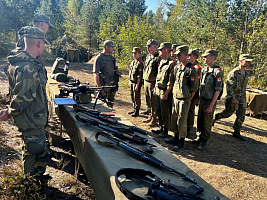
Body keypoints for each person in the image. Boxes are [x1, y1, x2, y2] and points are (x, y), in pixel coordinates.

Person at [0, 27, 51, 179]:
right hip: (31, 120)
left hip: (32, 118)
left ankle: (35, 181)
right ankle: (30, 185)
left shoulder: (23, 63)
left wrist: (10, 109)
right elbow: (23, 97)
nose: (44, 46)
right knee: (32, 153)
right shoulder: (27, 67)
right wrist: (10, 112)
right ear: (38, 44)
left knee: (37, 151)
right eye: (43, 43)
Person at [165, 45, 198, 150]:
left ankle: (181, 141)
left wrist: (188, 99)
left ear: (186, 55)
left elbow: (194, 88)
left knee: (182, 120)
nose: (177, 57)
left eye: (180, 55)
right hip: (176, 97)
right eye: (176, 55)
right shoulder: (177, 67)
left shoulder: (191, 69)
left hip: (185, 99)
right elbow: (173, 81)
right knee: (174, 118)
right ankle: (175, 137)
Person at [213, 54, 253, 141]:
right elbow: (229, 87)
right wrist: (233, 98)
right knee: (228, 113)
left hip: (242, 97)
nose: (248, 63)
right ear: (241, 61)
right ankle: (216, 117)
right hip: (232, 97)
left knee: (241, 114)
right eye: (246, 61)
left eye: (249, 62)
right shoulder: (234, 73)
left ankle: (237, 131)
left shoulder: (246, 73)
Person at [196, 49, 223, 150]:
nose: (203, 58)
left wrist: (211, 105)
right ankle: (199, 136)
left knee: (207, 121)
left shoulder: (218, 72)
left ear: (212, 58)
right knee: (200, 119)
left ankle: (204, 140)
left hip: (209, 100)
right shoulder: (204, 70)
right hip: (202, 98)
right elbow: (200, 86)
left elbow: (217, 90)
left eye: (205, 57)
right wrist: (198, 98)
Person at [151, 42, 175, 138]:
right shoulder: (161, 61)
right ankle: (161, 127)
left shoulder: (171, 64)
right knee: (159, 110)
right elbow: (158, 77)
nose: (159, 51)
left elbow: (171, 81)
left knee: (165, 111)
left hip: (165, 91)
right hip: (159, 90)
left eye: (160, 49)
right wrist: (155, 88)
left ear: (165, 50)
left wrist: (166, 93)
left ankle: (165, 130)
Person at [142, 39, 160, 126]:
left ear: (155, 47)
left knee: (153, 102)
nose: (147, 48)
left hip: (152, 82)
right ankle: (150, 115)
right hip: (146, 81)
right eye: (147, 46)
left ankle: (154, 119)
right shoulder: (148, 56)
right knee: (148, 101)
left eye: (149, 46)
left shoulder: (157, 58)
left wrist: (156, 86)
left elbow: (158, 73)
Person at [187, 48, 202, 138]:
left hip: (192, 94)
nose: (188, 57)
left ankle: (189, 127)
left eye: (190, 56)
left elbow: (197, 84)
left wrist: (196, 97)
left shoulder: (197, 68)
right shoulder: (186, 65)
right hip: (184, 93)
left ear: (195, 57)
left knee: (190, 111)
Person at [128, 47, 143, 117]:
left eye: (135, 53)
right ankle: (134, 109)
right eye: (133, 53)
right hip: (131, 82)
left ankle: (137, 111)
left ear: (139, 54)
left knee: (136, 97)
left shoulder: (140, 63)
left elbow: (139, 75)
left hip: (136, 83)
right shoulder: (133, 62)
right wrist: (129, 81)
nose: (134, 54)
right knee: (132, 96)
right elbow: (130, 73)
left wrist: (137, 85)